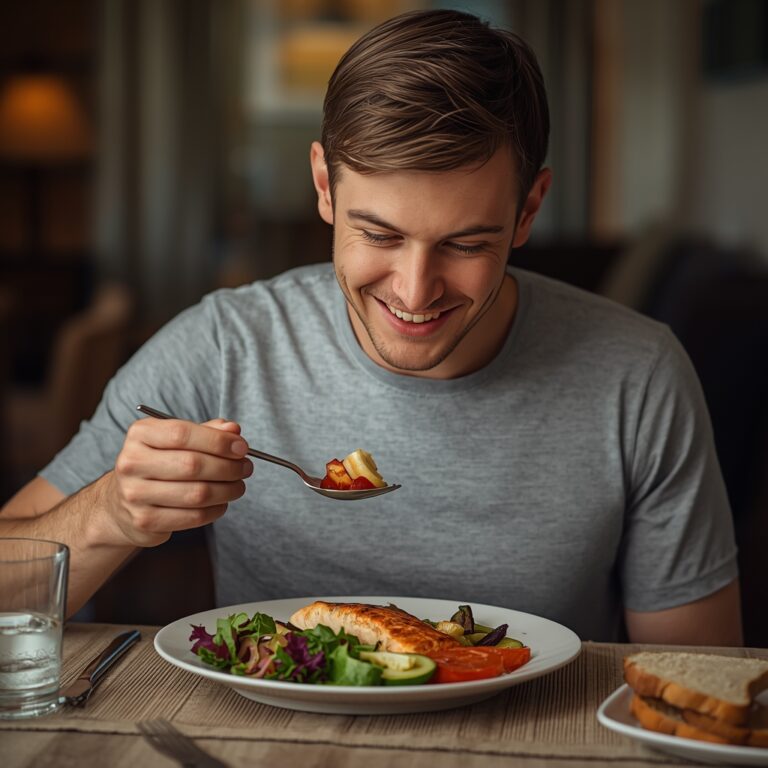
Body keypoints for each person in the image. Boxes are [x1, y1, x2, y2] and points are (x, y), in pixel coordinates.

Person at [0, 9, 741, 643]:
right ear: (324, 186)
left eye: (466, 242)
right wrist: (110, 514)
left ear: (530, 209)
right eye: (379, 235)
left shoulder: (638, 375)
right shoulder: (226, 346)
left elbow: (693, 687)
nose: (415, 292)